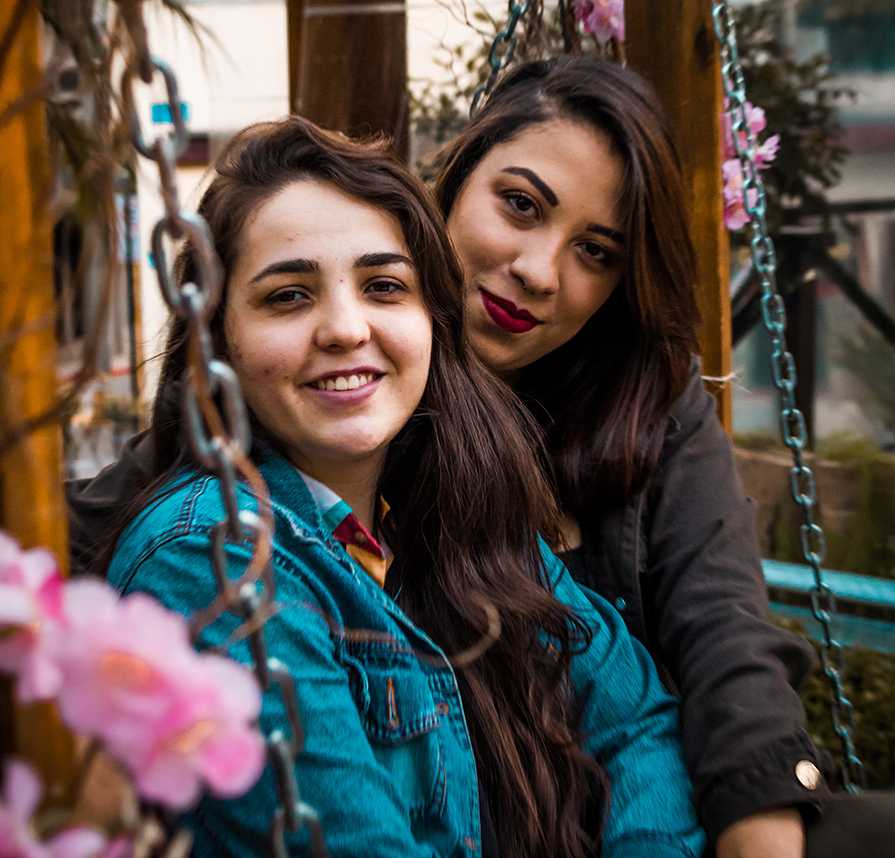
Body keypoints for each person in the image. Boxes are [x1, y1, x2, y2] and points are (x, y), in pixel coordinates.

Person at [100, 116, 705, 857]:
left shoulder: (452, 515)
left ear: (433, 322)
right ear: (217, 341)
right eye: (288, 296)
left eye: (384, 287)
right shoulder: (212, 558)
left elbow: (636, 720)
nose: (346, 329)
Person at [433, 55, 895, 858]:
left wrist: (760, 826)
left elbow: (723, 630)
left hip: (652, 817)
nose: (539, 272)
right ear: (453, 181)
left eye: (595, 252)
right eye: (520, 205)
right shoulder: (356, 394)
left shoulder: (648, 401)